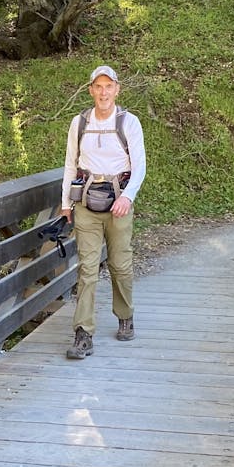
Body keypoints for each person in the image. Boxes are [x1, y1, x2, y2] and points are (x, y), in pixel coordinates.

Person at [60, 64, 146, 359]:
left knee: (120, 265)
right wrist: (64, 204)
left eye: (109, 86)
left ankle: (125, 315)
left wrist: (129, 197)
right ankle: (83, 333)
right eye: (98, 86)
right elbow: (71, 164)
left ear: (117, 89)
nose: (104, 92)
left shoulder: (129, 122)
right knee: (87, 268)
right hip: (86, 203)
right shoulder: (79, 123)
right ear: (91, 90)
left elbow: (140, 165)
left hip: (119, 202)